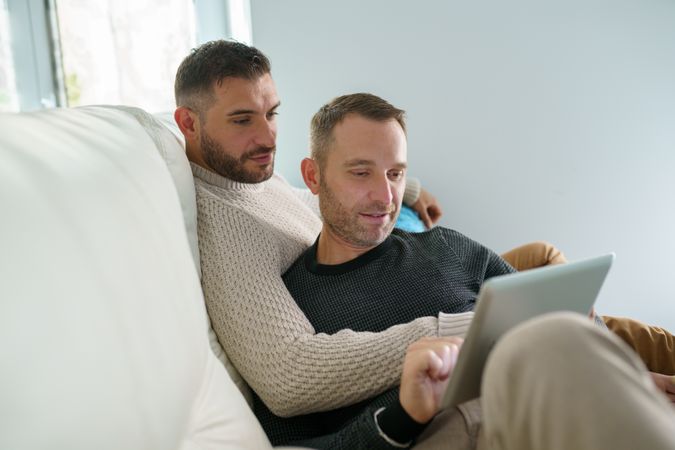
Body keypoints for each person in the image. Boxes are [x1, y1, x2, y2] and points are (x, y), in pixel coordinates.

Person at [172, 39, 673, 431]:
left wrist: (399, 186)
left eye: (272, 113)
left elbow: (317, 195)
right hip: (387, 304)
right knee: (544, 309)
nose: (266, 137)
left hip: (392, 262)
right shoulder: (221, 226)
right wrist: (461, 331)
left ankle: (611, 358)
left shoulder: (249, 174)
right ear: (187, 123)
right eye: (242, 120)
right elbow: (291, 376)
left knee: (550, 274)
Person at [272, 92, 675, 448]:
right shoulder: (296, 306)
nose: (385, 196)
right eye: (361, 173)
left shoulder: (445, 245)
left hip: (539, 395)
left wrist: (625, 377)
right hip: (448, 429)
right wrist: (404, 415)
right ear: (313, 176)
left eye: (395, 174)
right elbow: (296, 445)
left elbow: (553, 310)